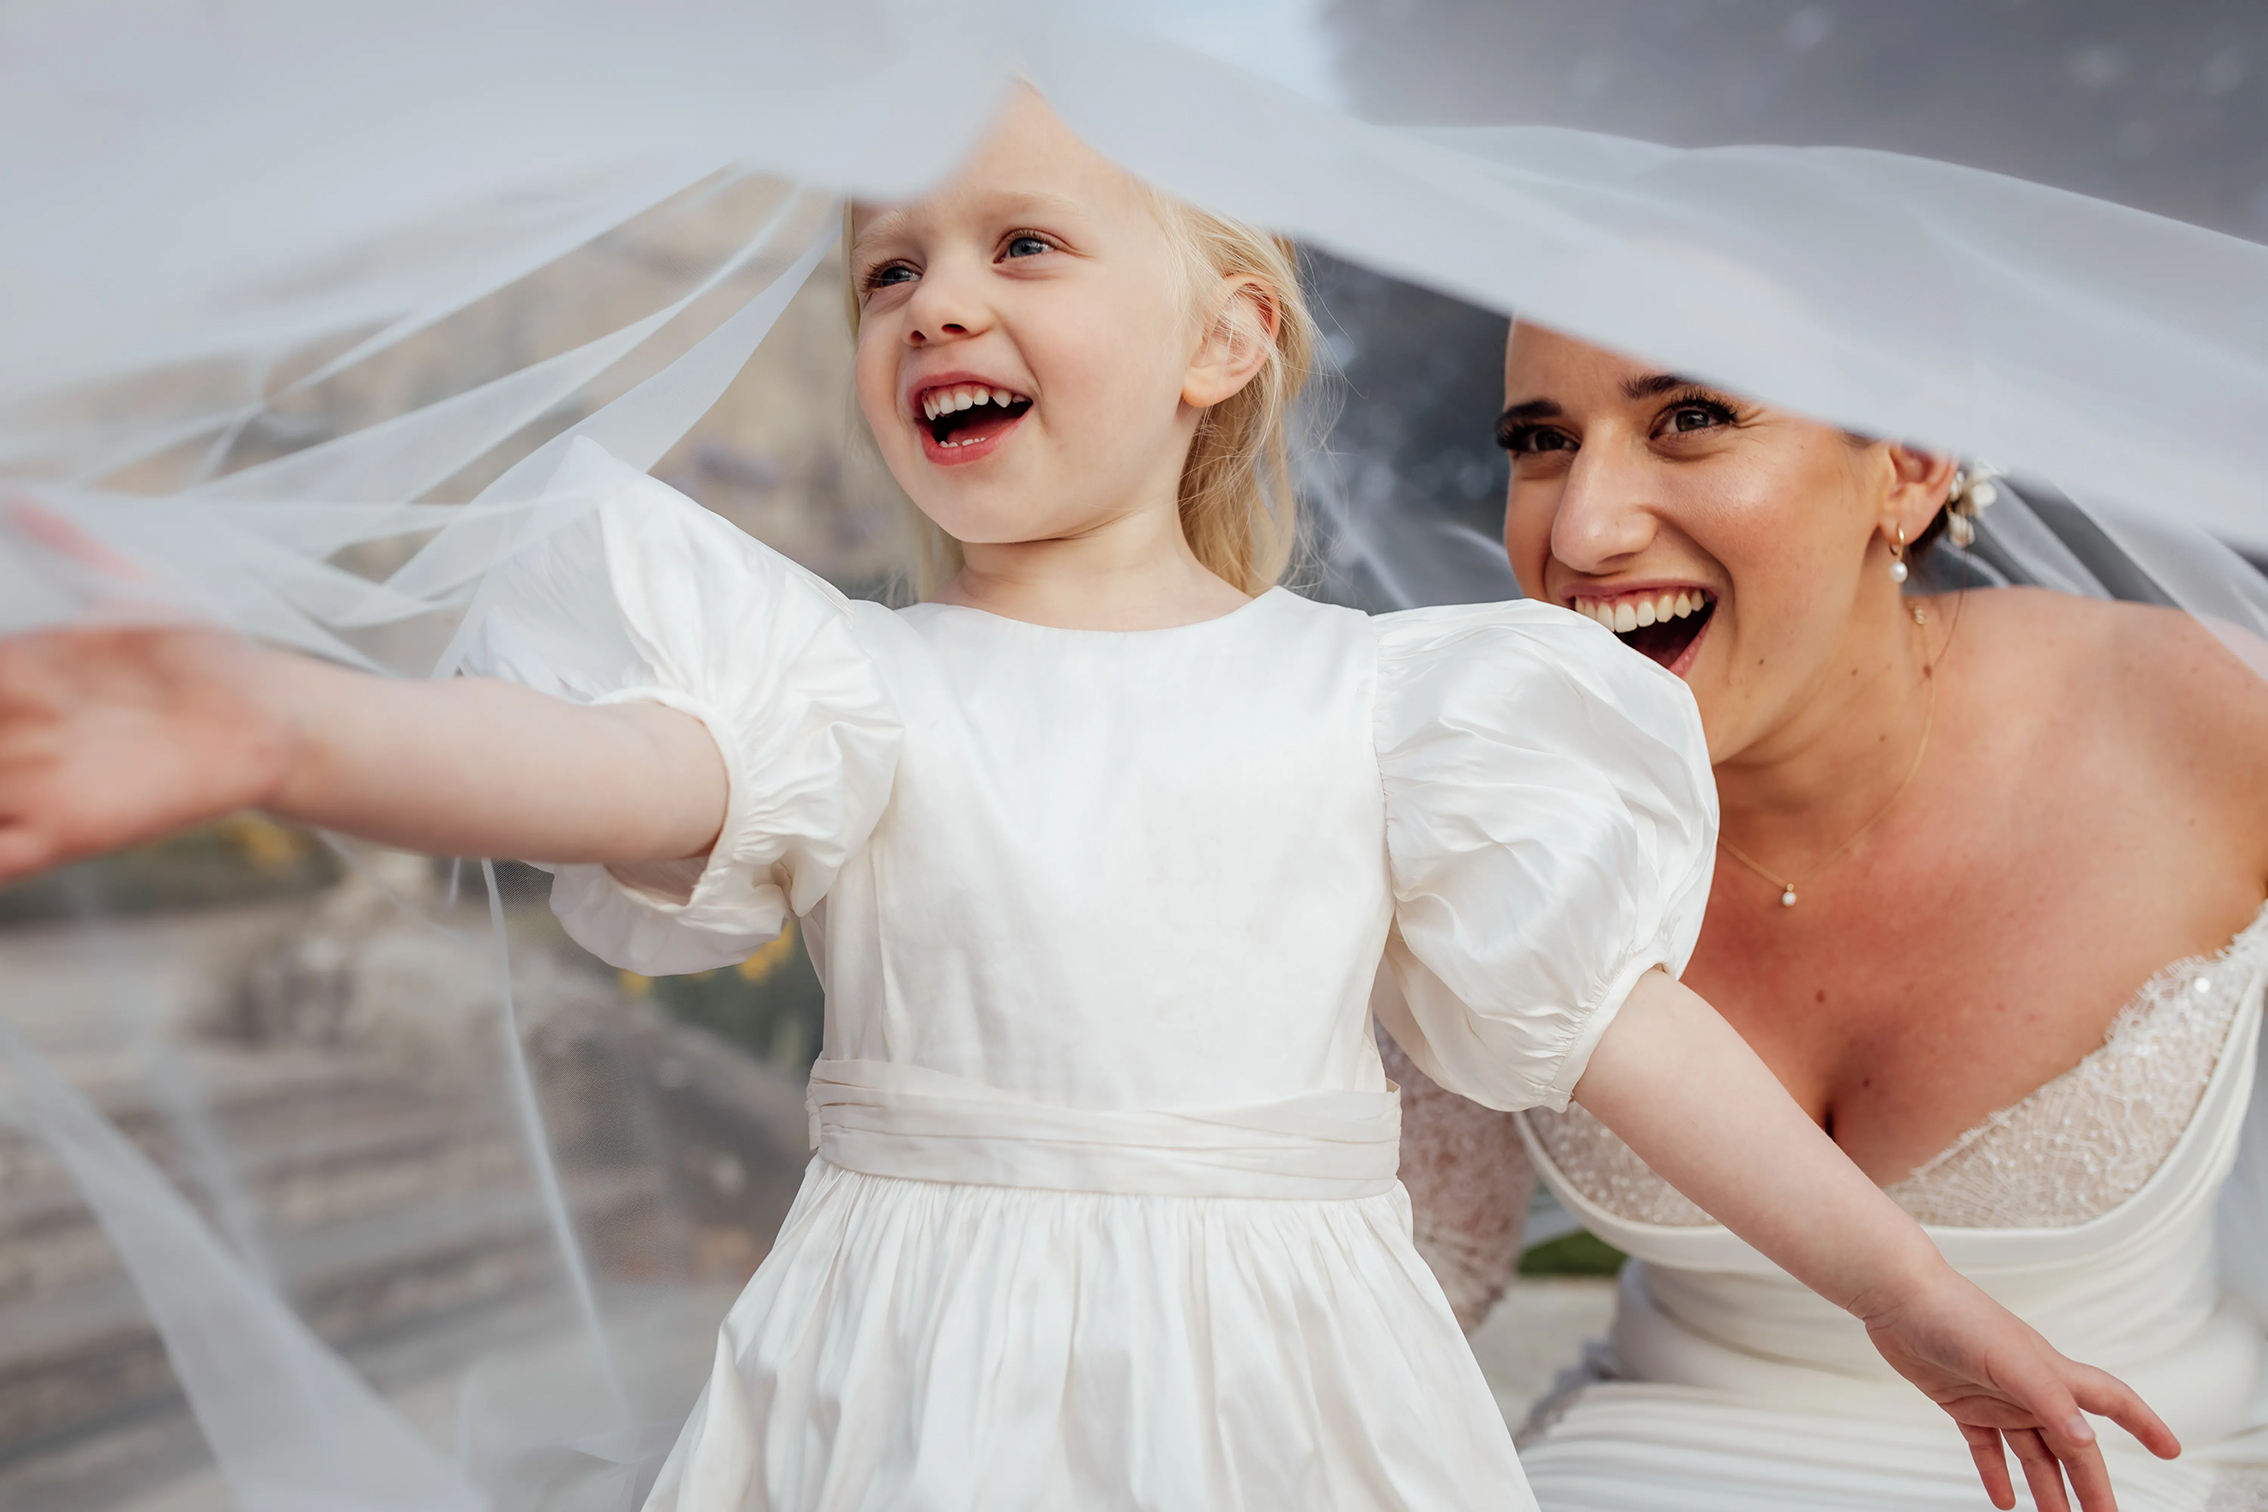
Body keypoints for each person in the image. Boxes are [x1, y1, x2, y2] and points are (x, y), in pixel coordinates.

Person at [0, 93, 2171, 1512]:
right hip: (913, 1374)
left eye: (1024, 246)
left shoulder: (1389, 707)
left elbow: (1628, 1033)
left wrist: (1909, 1294)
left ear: (1226, 336)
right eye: (889, 269)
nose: (940, 293)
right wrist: (288, 735)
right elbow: (605, 777)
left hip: (1286, 1390)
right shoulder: (849, 688)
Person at [1389, 320, 2268, 1511]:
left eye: (1691, 419)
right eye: (1541, 441)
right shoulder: (1500, 800)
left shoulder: (2212, 725)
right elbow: (1417, 1264)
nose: (1583, 530)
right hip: (1645, 1466)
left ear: (1907, 463)